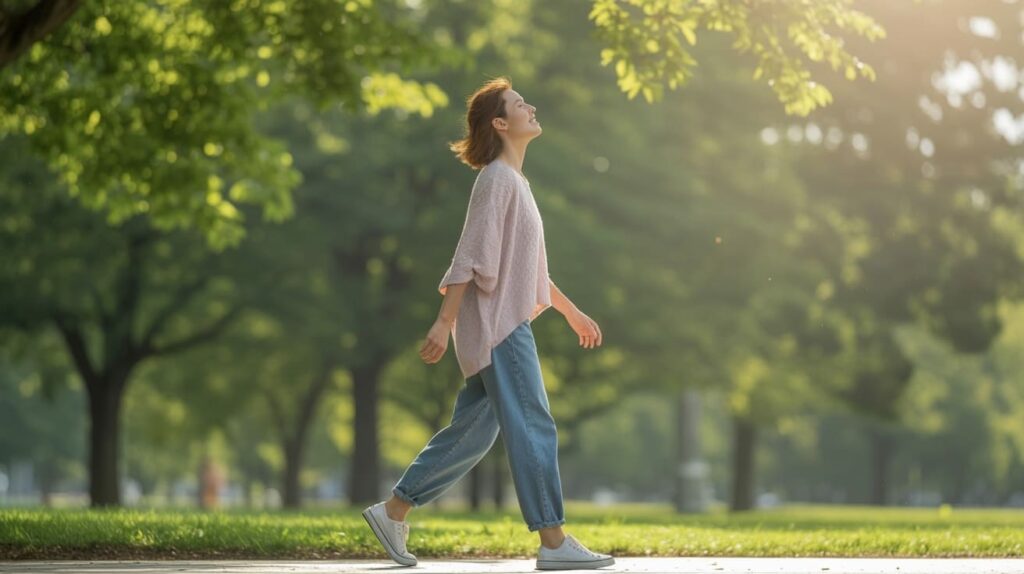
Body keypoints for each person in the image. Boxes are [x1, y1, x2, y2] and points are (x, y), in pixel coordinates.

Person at [361, 76, 614, 570]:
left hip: (501, 323)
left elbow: (530, 271)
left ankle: (393, 511)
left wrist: (570, 310)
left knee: (475, 431)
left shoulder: (515, 182)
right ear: (500, 123)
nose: (532, 107)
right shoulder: (496, 179)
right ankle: (553, 540)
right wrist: (443, 321)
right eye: (521, 104)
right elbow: (471, 257)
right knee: (534, 424)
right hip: (500, 329)